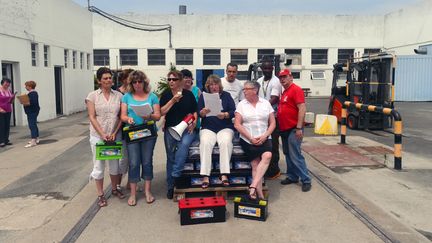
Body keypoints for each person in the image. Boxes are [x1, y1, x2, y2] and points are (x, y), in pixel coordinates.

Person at [86, 67, 125, 207]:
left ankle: (115, 189)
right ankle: (100, 194)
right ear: (99, 81)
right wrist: (102, 134)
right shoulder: (92, 96)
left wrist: (114, 132)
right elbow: (92, 116)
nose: (109, 80)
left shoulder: (119, 96)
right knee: (99, 165)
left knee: (115, 164)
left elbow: (121, 116)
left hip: (115, 136)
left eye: (110, 78)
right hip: (98, 136)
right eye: (105, 78)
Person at [121, 70, 160, 206]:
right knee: (134, 162)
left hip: (148, 133)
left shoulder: (152, 96)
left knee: (147, 161)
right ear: (131, 83)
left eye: (140, 81)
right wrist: (129, 119)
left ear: (144, 82)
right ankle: (132, 193)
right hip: (133, 133)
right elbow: (123, 116)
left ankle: (147, 191)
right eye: (134, 82)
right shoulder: (126, 97)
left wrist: (149, 116)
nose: (137, 84)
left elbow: (158, 115)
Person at [234, 81, 275, 200]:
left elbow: (272, 123)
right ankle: (259, 194)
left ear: (255, 90)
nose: (244, 91)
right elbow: (237, 124)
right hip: (248, 139)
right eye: (244, 89)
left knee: (267, 156)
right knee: (255, 164)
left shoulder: (266, 103)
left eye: (247, 89)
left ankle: (253, 186)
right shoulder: (241, 104)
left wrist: (265, 135)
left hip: (265, 137)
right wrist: (251, 138)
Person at [160, 70, 197, 199]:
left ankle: (175, 175)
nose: (171, 82)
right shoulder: (166, 94)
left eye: (174, 79)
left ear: (180, 81)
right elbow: (161, 112)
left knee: (184, 145)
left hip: (187, 128)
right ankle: (171, 186)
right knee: (170, 156)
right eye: (169, 79)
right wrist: (172, 101)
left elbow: (194, 111)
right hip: (171, 129)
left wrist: (194, 122)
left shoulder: (189, 94)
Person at [198, 75, 236, 188]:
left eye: (216, 84)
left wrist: (225, 115)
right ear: (208, 87)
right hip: (208, 127)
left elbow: (233, 111)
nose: (214, 87)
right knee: (205, 142)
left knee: (225, 142)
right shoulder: (203, 97)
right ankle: (205, 175)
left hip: (225, 126)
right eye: (211, 85)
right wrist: (203, 112)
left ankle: (224, 174)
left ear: (220, 85)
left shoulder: (227, 96)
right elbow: (198, 112)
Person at [277, 69, 312, 192]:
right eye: (280, 77)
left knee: (295, 155)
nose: (282, 79)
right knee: (287, 154)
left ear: (291, 77)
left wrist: (298, 127)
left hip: (293, 129)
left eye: (285, 77)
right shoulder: (285, 91)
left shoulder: (296, 90)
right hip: (285, 129)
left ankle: (306, 180)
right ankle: (292, 176)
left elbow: (302, 108)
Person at [257, 59, 283, 179]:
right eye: (265, 68)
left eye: (269, 68)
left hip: (273, 117)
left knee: (273, 143)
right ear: (261, 69)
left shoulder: (276, 81)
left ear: (272, 69)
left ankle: (274, 170)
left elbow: (274, 98)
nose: (267, 70)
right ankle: (264, 168)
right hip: (261, 117)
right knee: (263, 142)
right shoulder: (259, 81)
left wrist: (262, 107)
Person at [117, 69, 134, 191]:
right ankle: (117, 183)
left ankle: (130, 182)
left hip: (134, 129)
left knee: (134, 159)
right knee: (123, 158)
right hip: (121, 129)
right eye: (130, 78)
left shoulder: (135, 92)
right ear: (124, 79)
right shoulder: (118, 93)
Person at [23, 81, 40, 148]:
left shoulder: (33, 93)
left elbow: (33, 102)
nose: (25, 87)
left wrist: (25, 102)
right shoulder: (32, 93)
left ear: (30, 86)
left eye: (26, 86)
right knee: (34, 124)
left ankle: (33, 141)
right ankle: (36, 138)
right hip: (33, 111)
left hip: (32, 111)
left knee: (32, 125)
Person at [0, 78, 15, 147]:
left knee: (7, 125)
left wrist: (13, 98)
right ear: (2, 83)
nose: (7, 85)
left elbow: (11, 102)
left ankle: (6, 140)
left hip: (8, 110)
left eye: (8, 84)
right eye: (6, 83)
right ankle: (1, 141)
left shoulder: (9, 90)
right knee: (1, 126)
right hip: (1, 110)